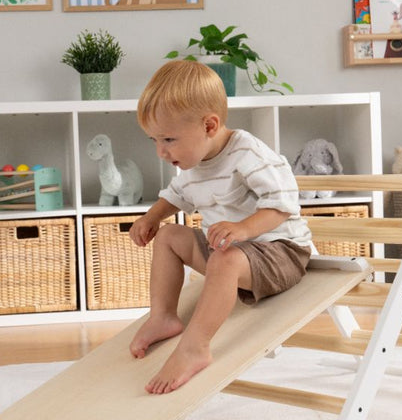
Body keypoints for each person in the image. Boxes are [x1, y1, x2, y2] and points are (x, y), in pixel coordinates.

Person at [129, 61, 312, 394]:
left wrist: (243, 229)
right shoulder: (195, 160)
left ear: (210, 125)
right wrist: (152, 218)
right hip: (228, 254)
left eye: (169, 138)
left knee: (225, 260)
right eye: (154, 140)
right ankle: (163, 316)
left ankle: (195, 347)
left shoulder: (247, 153)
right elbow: (177, 195)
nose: (161, 151)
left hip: (280, 252)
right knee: (170, 236)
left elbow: (284, 204)